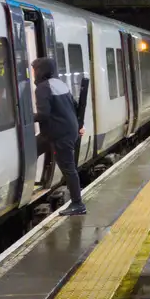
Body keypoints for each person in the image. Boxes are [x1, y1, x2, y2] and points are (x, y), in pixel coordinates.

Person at [32, 57, 87, 216]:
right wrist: (79, 125)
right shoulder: (59, 83)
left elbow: (43, 115)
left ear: (41, 71)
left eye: (35, 70)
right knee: (31, 151)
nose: (33, 74)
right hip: (61, 131)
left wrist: (26, 117)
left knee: (68, 168)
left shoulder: (42, 88)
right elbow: (75, 106)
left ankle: (78, 204)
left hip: (59, 134)